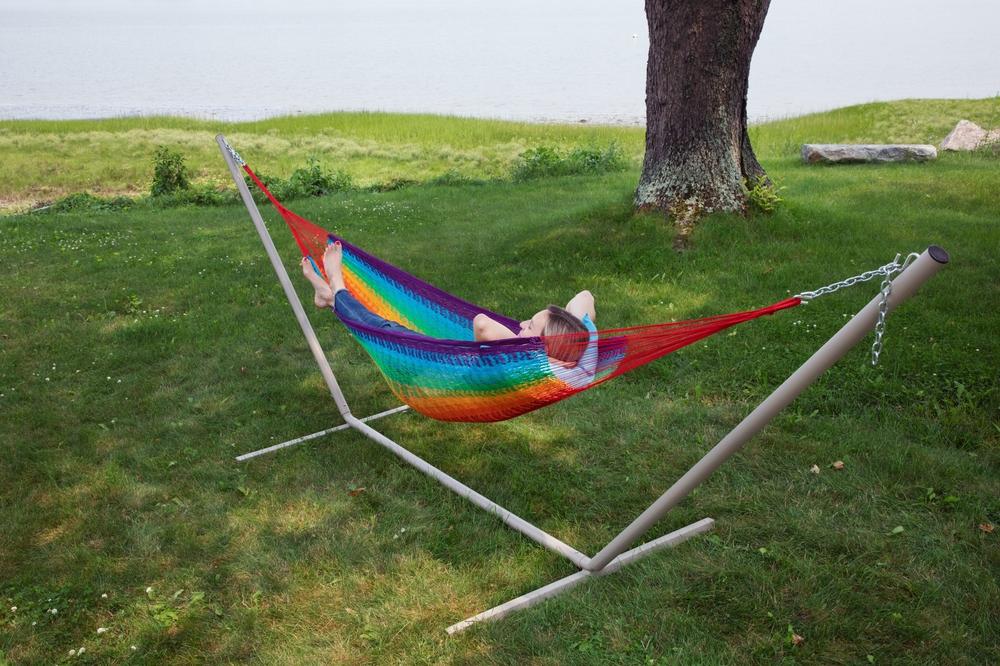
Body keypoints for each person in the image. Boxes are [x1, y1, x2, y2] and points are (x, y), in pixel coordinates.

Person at [302, 240, 599, 386]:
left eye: (530, 326)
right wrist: (578, 327)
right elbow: (585, 296)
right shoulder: (580, 359)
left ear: (541, 348)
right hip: (453, 355)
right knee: (389, 322)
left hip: (435, 373)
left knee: (383, 329)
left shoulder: (526, 364)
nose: (521, 323)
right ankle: (328, 298)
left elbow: (482, 325)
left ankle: (337, 286)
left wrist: (533, 347)